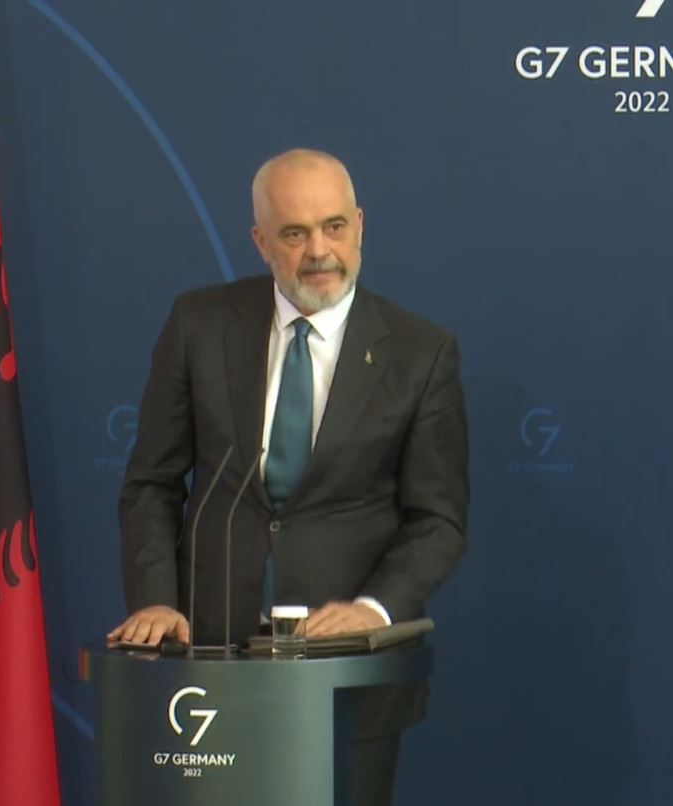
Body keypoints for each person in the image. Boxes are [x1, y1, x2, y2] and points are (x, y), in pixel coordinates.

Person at [107, 148, 469, 805]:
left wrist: (372, 610)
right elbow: (151, 484)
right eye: (295, 233)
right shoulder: (199, 325)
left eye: (334, 227)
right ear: (260, 241)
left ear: (360, 226)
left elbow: (437, 519)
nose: (319, 252)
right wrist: (156, 599)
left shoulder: (421, 353)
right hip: (206, 671)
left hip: (349, 674)